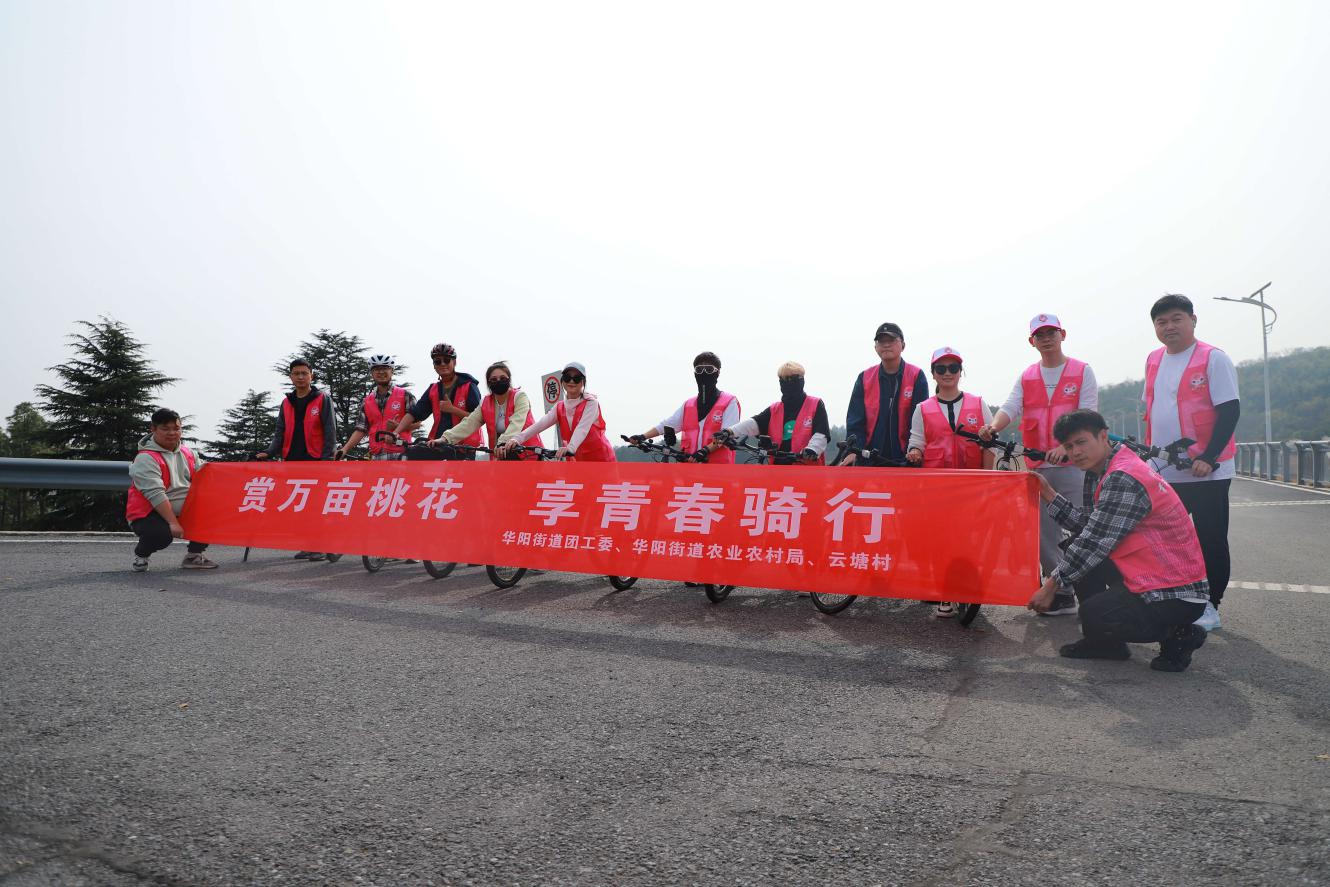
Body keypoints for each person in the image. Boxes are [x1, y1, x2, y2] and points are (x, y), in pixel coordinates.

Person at [1027, 409, 1210, 672]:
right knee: (1077, 553)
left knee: (1094, 613)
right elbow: (1089, 527)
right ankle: (1104, 643)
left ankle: (1179, 635)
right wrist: (1047, 493)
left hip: (1174, 592)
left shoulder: (1123, 476)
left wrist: (1051, 586)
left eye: (1081, 442)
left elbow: (1093, 541)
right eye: (1068, 446)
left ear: (1103, 436)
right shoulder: (1103, 469)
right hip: (1151, 573)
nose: (1075, 452)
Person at [980, 313, 1099, 617]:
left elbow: (1088, 414)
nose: (1046, 339)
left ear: (1063, 335)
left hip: (1075, 465)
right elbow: (1011, 406)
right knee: (1044, 532)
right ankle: (1062, 592)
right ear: (1031, 341)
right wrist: (993, 426)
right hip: (1038, 465)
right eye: (1040, 335)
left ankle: (1089, 593)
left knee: (1081, 528)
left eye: (1051, 333)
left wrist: (1065, 447)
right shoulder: (1028, 376)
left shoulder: (1082, 371)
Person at [1143, 294, 1240, 632]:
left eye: (1176, 319)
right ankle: (1176, 598)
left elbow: (1229, 411)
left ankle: (1211, 605)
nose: (1169, 326)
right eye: (1161, 321)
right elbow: (1154, 409)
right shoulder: (1153, 360)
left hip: (1207, 470)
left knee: (1210, 538)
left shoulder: (1213, 358)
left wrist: (1209, 457)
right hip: (1165, 470)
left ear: (1193, 320)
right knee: (1164, 538)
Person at [905, 347, 995, 617]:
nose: (947, 373)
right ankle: (944, 592)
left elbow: (990, 446)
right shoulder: (922, 409)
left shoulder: (978, 404)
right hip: (937, 487)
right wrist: (915, 452)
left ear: (960, 372)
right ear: (933, 373)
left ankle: (968, 589)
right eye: (941, 369)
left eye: (953, 368)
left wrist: (987, 481)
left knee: (970, 538)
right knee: (941, 538)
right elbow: (917, 441)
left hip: (971, 485)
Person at [258, 357, 339, 560]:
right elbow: (280, 432)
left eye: (304, 373)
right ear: (290, 377)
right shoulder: (287, 403)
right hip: (292, 461)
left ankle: (321, 546)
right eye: (296, 373)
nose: (300, 377)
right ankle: (308, 544)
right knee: (300, 505)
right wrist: (269, 452)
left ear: (312, 376)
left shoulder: (323, 399)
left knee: (317, 504)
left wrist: (327, 460)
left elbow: (330, 431)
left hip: (316, 460)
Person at [127, 409, 217, 572]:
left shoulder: (188, 453)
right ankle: (141, 554)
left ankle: (194, 556)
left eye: (176, 428)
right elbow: (155, 494)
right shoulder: (146, 458)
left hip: (185, 509)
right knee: (161, 535)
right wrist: (173, 523)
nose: (172, 433)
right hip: (150, 512)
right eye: (165, 429)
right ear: (153, 429)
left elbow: (206, 473)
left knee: (216, 512)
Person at [629, 352, 740, 463]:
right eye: (699, 370)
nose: (704, 373)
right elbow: (667, 425)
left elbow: (727, 434)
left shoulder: (729, 402)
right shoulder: (688, 404)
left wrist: (704, 451)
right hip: (689, 467)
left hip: (719, 469)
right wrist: (642, 437)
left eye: (709, 369)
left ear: (718, 372)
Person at [844, 323, 929, 466]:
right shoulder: (864, 378)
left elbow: (921, 421)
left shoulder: (916, 376)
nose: (886, 345)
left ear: (903, 345)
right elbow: (855, 420)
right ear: (875, 347)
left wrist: (915, 450)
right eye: (881, 341)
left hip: (906, 459)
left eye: (891, 340)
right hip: (868, 460)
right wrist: (854, 450)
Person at [500, 362, 616, 461]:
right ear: (562, 381)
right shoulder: (559, 407)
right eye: (567, 377)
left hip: (601, 459)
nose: (571, 381)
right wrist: (517, 439)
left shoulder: (591, 403)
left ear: (583, 382)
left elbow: (582, 429)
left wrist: (570, 448)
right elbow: (540, 425)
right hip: (577, 460)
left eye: (576, 378)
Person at [718, 361, 829, 464]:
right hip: (777, 469)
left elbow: (821, 434)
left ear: (801, 380)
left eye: (792, 379)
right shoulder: (774, 409)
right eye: (783, 380)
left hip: (808, 471)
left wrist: (812, 449)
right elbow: (754, 423)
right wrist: (729, 432)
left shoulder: (815, 404)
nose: (788, 383)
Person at [391, 342, 482, 457]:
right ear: (434, 365)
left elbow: (479, 418)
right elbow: (415, 413)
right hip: (438, 443)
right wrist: (395, 432)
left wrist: (452, 409)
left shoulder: (469, 386)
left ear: (454, 362)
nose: (442, 364)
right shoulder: (433, 389)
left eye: (447, 360)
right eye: (438, 361)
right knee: (409, 455)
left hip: (463, 447)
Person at [433, 361, 535, 454]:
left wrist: (503, 442)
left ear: (509, 379)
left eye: (503, 378)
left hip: (528, 454)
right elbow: (469, 423)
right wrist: (445, 438)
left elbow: (517, 423)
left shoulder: (520, 397)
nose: (498, 381)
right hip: (501, 456)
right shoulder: (485, 403)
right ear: (489, 383)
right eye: (494, 379)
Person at [337, 354, 416, 460]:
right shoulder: (367, 401)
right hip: (376, 456)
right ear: (372, 373)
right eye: (376, 369)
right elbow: (361, 429)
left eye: (385, 368)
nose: (381, 372)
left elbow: (417, 424)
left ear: (392, 371)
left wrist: (397, 427)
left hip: (401, 454)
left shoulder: (405, 395)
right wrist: (345, 449)